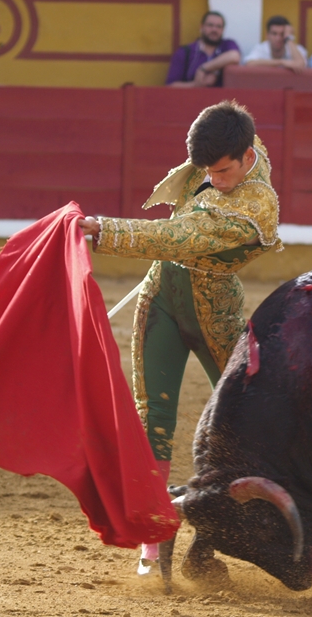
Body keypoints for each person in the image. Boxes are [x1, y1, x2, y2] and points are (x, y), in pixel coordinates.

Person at [75, 101, 281, 575]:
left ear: (248, 158)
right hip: (162, 298)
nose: (214, 178)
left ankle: (210, 538)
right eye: (207, 169)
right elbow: (222, 128)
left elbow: (177, 237)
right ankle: (153, 542)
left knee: (240, 427)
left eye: (224, 171)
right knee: (154, 416)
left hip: (216, 314)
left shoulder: (255, 207)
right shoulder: (229, 143)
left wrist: (105, 230)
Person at [165, 11, 241, 88]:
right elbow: (171, 86)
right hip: (191, 98)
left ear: (223, 30)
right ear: (201, 27)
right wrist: (196, 85)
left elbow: (234, 56)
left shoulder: (227, 45)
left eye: (219, 26)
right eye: (210, 25)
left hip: (222, 99)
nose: (214, 29)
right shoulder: (185, 52)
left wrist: (203, 69)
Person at [243, 15, 308, 72]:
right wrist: (281, 62)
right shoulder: (261, 48)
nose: (278, 38)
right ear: (267, 35)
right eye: (274, 34)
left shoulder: (294, 48)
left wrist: (288, 38)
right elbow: (249, 63)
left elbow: (300, 64)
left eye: (282, 34)